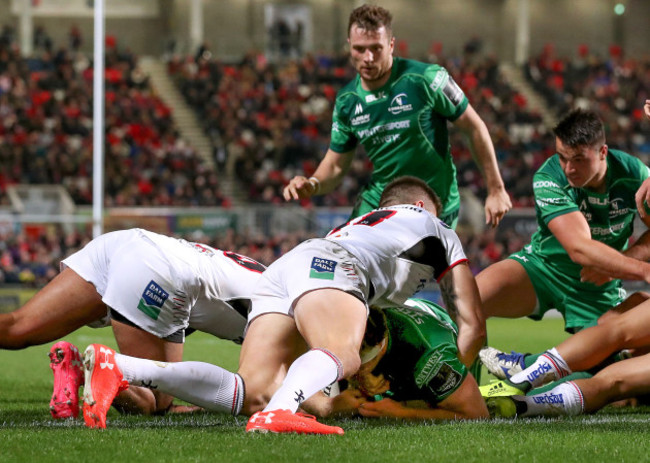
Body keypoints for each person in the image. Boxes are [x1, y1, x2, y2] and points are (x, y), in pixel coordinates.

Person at [82, 176, 485, 434]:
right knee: (340, 354)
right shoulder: (437, 229)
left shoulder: (359, 226)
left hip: (290, 266)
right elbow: (471, 321)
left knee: (251, 391)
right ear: (420, 208)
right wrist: (457, 384)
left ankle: (119, 368)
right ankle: (279, 413)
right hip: (336, 269)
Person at [282, 4, 511, 228]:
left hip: (433, 203)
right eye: (360, 49)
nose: (368, 57)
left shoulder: (427, 79)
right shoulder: (347, 101)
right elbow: (335, 166)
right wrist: (311, 184)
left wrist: (496, 189)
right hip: (381, 200)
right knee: (338, 258)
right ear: (349, 46)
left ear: (391, 45)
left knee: (417, 266)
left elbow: (474, 127)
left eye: (376, 48)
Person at [0, 228, 264, 419]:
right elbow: (260, 391)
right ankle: (85, 369)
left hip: (125, 242)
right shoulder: (288, 310)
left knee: (15, 328)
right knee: (155, 401)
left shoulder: (273, 278)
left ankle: (84, 370)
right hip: (161, 270)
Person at [477, 108, 650, 379]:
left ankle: (528, 367)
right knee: (469, 301)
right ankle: (464, 391)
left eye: (579, 159)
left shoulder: (635, 175)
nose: (569, 168)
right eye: (562, 157)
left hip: (596, 285)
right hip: (542, 268)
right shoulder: (548, 176)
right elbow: (579, 247)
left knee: (605, 366)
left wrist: (625, 259)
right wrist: (644, 270)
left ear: (603, 152)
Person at [307, 299, 488, 421]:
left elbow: (476, 414)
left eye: (358, 369)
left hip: (447, 335)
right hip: (402, 321)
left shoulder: (428, 357)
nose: (351, 375)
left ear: (379, 348)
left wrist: (402, 412)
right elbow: (285, 385)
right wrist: (328, 405)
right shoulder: (325, 323)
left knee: (434, 400)